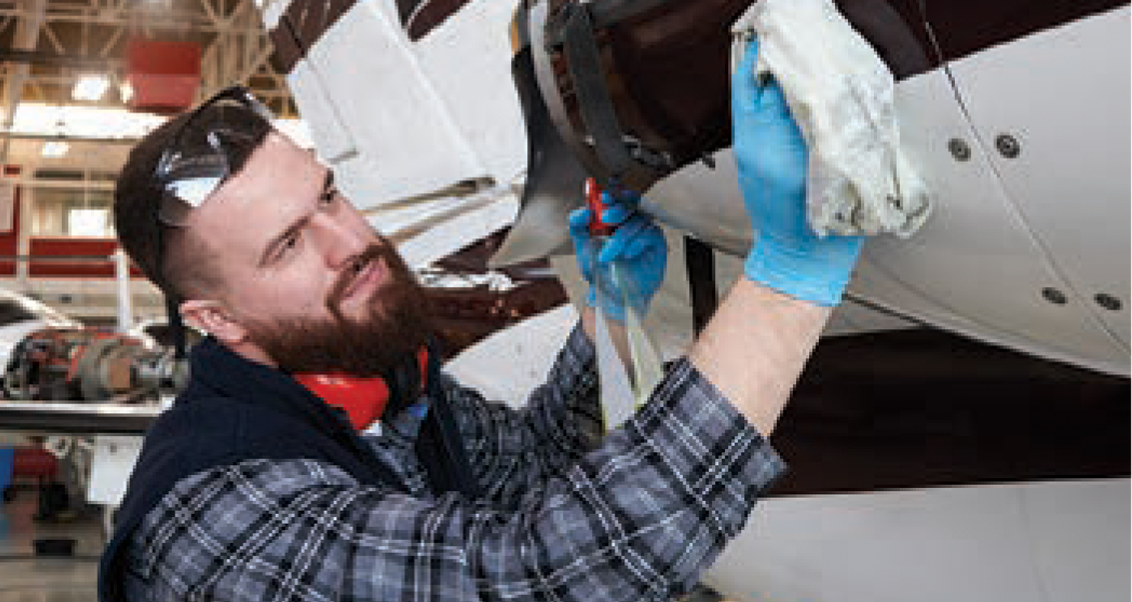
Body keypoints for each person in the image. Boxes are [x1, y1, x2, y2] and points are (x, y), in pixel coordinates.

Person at [98, 37, 863, 602]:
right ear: (217, 320)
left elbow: (531, 471)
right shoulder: (219, 522)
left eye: (328, 197)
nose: (352, 243)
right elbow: (535, 578)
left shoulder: (381, 383)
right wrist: (790, 276)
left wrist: (604, 322)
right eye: (289, 246)